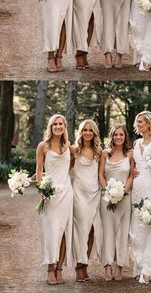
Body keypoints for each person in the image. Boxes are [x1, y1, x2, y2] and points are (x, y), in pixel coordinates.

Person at [36, 114, 73, 285]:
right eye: (55, 124)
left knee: (65, 231)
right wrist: (41, 189)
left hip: (67, 193)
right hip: (50, 194)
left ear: (65, 127)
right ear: (50, 127)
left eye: (61, 124)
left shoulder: (68, 146)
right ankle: (50, 268)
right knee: (51, 230)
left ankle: (59, 268)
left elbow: (71, 165)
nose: (58, 127)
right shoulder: (43, 146)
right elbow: (38, 171)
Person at [130, 111, 151, 283]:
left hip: (150, 187)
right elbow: (133, 166)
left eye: (141, 121)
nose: (138, 124)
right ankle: (138, 265)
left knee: (150, 227)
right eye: (137, 122)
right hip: (136, 188)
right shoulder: (136, 143)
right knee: (136, 229)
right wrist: (133, 171)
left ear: (149, 123)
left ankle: (148, 270)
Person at [99, 124, 134, 280]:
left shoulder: (130, 154)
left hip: (125, 198)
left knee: (122, 233)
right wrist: (107, 190)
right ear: (111, 137)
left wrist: (125, 190)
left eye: (121, 135)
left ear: (125, 136)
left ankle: (120, 266)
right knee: (107, 232)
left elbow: (132, 175)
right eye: (115, 135)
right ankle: (107, 266)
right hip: (107, 199)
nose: (118, 137)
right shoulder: (104, 154)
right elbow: (100, 174)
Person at [70, 119, 102, 282]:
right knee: (80, 230)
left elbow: (102, 174)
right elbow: (64, 169)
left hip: (95, 193)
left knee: (91, 231)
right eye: (85, 130)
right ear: (81, 132)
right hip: (79, 194)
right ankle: (78, 266)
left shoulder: (99, 152)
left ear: (95, 133)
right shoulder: (74, 150)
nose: (88, 133)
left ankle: (84, 263)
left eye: (91, 130)